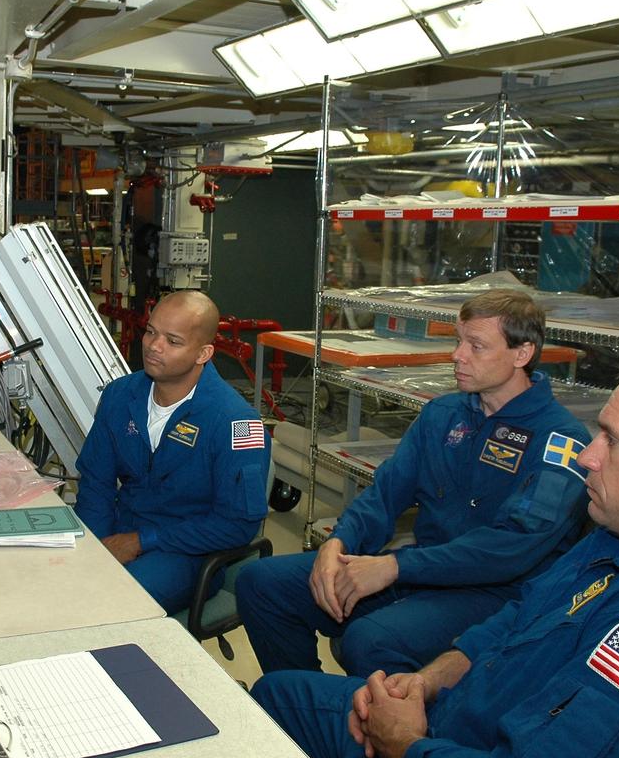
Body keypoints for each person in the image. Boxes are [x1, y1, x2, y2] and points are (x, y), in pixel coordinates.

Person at [252, 357, 619, 758]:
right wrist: (428, 680)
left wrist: (408, 750)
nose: (587, 458)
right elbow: (519, 615)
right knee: (272, 696)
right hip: (456, 725)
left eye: (612, 441)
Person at [237, 288, 590, 676]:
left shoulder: (560, 442)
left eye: (476, 346)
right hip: (423, 571)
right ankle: (301, 711)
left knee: (371, 641)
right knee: (262, 582)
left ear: (521, 354)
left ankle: (373, 729)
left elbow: (508, 548)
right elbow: (386, 493)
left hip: (495, 595)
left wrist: (394, 567)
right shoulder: (445, 414)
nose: (458, 355)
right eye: (459, 342)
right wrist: (340, 542)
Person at [74, 290, 271, 614]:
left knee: (107, 603)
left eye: (173, 341)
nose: (154, 346)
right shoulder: (120, 395)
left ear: (203, 353)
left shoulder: (237, 422)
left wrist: (141, 541)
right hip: (120, 530)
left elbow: (237, 525)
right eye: (151, 332)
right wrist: (95, 546)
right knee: (54, 583)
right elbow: (96, 482)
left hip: (188, 553)